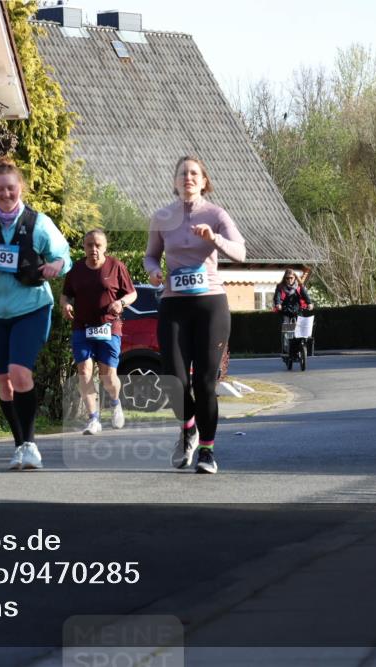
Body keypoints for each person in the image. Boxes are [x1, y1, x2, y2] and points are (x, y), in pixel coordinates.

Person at [0, 157, 72, 470]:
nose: (6, 194)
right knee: (4, 382)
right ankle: (20, 445)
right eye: (0, 189)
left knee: (20, 372)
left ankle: (31, 444)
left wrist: (56, 266)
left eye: (11, 188)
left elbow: (64, 256)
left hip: (31, 306)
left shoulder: (38, 222)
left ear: (20, 188)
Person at [145, 156, 246, 474]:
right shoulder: (162, 217)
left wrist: (213, 238)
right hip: (174, 305)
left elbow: (241, 252)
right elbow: (151, 256)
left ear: (204, 181)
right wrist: (152, 272)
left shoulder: (216, 214)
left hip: (210, 305)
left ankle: (206, 451)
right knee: (173, 379)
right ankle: (188, 427)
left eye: (194, 173)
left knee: (204, 383)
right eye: (182, 173)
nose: (188, 177)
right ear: (175, 182)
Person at [61, 229, 137, 435]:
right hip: (82, 328)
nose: (93, 249)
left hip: (109, 327)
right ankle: (93, 419)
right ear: (84, 247)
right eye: (89, 245)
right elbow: (66, 295)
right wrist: (66, 305)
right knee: (84, 372)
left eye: (98, 245)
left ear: (105, 247)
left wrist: (121, 302)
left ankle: (114, 402)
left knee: (108, 376)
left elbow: (132, 293)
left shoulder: (116, 266)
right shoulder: (75, 270)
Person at [272, 269, 314, 354]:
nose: (289, 280)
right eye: (287, 278)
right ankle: (286, 348)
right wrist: (278, 304)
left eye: (291, 278)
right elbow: (277, 297)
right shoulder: (280, 287)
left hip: (297, 310)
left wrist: (309, 303)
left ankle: (301, 346)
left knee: (302, 328)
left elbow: (305, 296)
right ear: (285, 278)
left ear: (294, 278)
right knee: (287, 329)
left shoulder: (299, 287)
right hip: (285, 311)